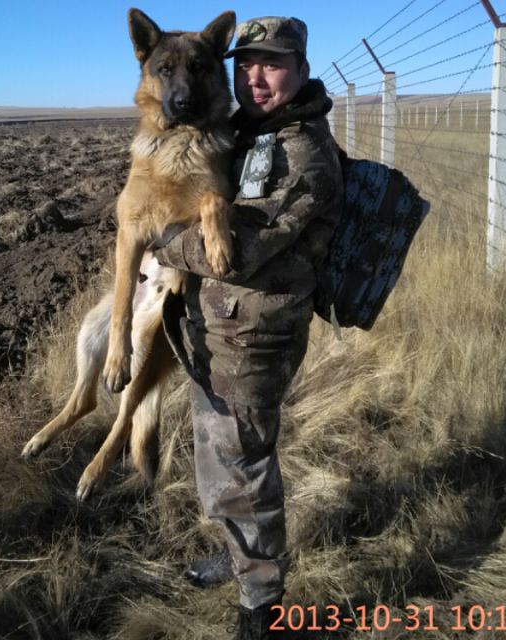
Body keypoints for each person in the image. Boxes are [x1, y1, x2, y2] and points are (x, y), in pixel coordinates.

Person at [153, 15, 343, 639]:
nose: (256, 77)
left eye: (273, 64)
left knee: (245, 467)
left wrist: (155, 235)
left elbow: (236, 252)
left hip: (255, 338)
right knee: (218, 457)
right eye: (246, 64)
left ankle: (262, 603)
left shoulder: (301, 152)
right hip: (217, 328)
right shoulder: (244, 132)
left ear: (302, 70)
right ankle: (240, 559)